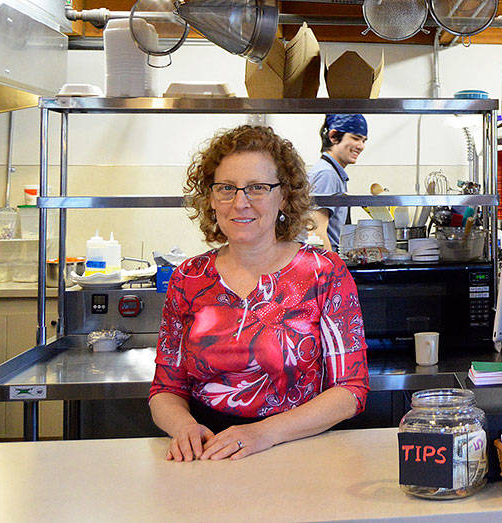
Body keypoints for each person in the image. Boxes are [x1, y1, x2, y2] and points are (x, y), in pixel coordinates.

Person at [149, 124, 369, 462]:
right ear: (211, 198)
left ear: (284, 196)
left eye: (258, 188)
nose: (240, 203)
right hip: (208, 455)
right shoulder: (188, 278)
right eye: (226, 188)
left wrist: (263, 434)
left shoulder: (324, 272)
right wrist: (183, 428)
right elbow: (166, 388)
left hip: (297, 450)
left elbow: (351, 390)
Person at [308, 113, 368, 251]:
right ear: (333, 136)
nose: (361, 146)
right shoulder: (326, 174)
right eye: (355, 138)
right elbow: (317, 234)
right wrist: (332, 270)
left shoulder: (333, 172)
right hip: (326, 263)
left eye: (364, 141)